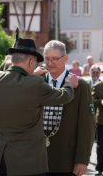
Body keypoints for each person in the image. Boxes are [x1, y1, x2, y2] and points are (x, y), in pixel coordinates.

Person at [0, 35, 77, 176]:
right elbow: (64, 96)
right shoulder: (35, 84)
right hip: (28, 163)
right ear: (31, 61)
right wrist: (69, 84)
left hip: (1, 159)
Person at [41, 40, 95, 176]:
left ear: (65, 59)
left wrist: (82, 160)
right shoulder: (37, 82)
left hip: (66, 158)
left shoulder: (81, 86)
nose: (50, 63)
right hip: (37, 157)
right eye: (47, 58)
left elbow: (87, 126)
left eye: (54, 59)